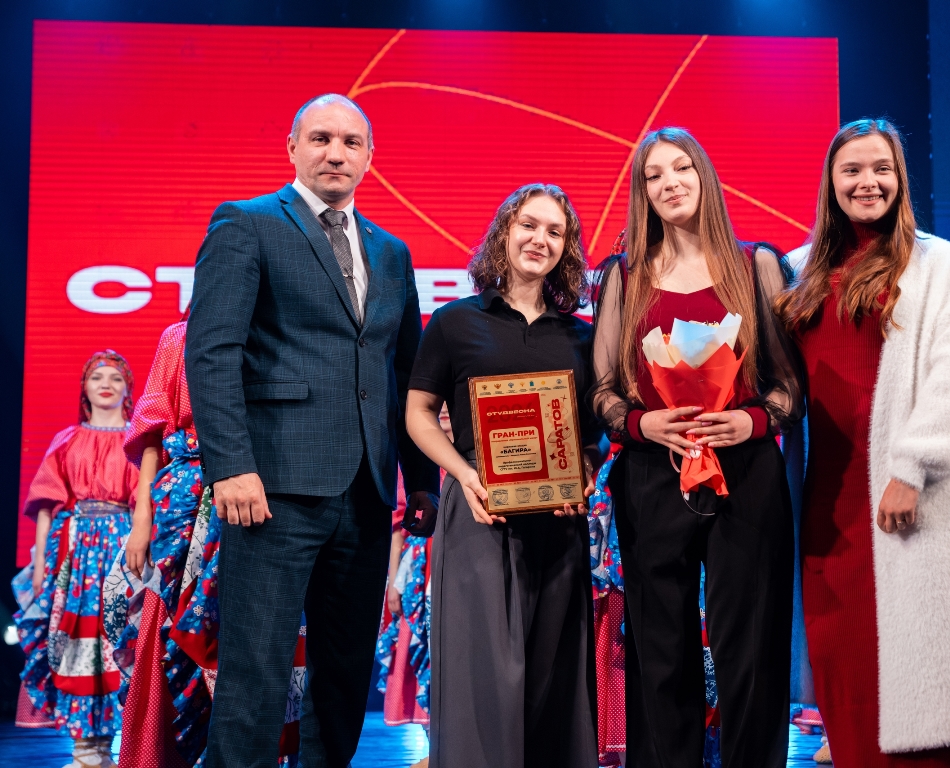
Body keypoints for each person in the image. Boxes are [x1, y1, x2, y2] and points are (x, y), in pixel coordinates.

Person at [185, 92, 440, 767]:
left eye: (351, 143)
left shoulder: (392, 251)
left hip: (366, 492)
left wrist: (420, 482)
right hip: (270, 487)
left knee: (345, 674)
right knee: (255, 671)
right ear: (293, 147)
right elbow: (212, 353)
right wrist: (230, 466)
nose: (336, 153)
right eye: (322, 138)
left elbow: (405, 372)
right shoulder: (247, 222)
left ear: (369, 158)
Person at [778, 118, 950, 766]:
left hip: (909, 496)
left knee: (920, 680)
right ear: (830, 181)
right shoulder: (796, 270)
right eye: (851, 169)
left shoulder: (936, 263)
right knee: (841, 663)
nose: (867, 182)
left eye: (881, 168)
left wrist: (912, 468)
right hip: (827, 501)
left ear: (900, 178)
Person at [592, 126, 804, 767]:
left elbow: (790, 387)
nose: (669, 183)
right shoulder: (624, 276)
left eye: (681, 167)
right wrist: (641, 425)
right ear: (642, 193)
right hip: (652, 476)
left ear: (704, 175)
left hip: (747, 472)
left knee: (752, 646)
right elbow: (603, 391)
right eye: (653, 175)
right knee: (660, 649)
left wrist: (753, 422)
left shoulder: (756, 265)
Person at [405, 183, 600, 768]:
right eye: (528, 225)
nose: (540, 239)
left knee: (553, 677)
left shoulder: (582, 336)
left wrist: (586, 470)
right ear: (504, 232)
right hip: (478, 513)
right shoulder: (454, 322)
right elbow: (418, 413)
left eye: (555, 232)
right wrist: (462, 474)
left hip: (558, 522)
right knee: (480, 676)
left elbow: (592, 432)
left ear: (567, 249)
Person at [107, 319, 305, 767]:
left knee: (261, 624)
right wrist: (141, 518)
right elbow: (153, 430)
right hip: (184, 497)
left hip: (263, 488)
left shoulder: (279, 329)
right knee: (170, 627)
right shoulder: (178, 336)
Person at [10, 351, 139, 768]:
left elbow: (146, 505)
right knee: (77, 645)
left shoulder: (138, 441)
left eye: (116, 378)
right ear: (84, 389)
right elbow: (47, 506)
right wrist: (39, 567)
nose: (106, 384)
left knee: (116, 643)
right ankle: (86, 752)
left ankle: (116, 750)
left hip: (122, 549)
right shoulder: (67, 439)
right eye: (97, 377)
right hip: (76, 553)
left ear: (128, 389)